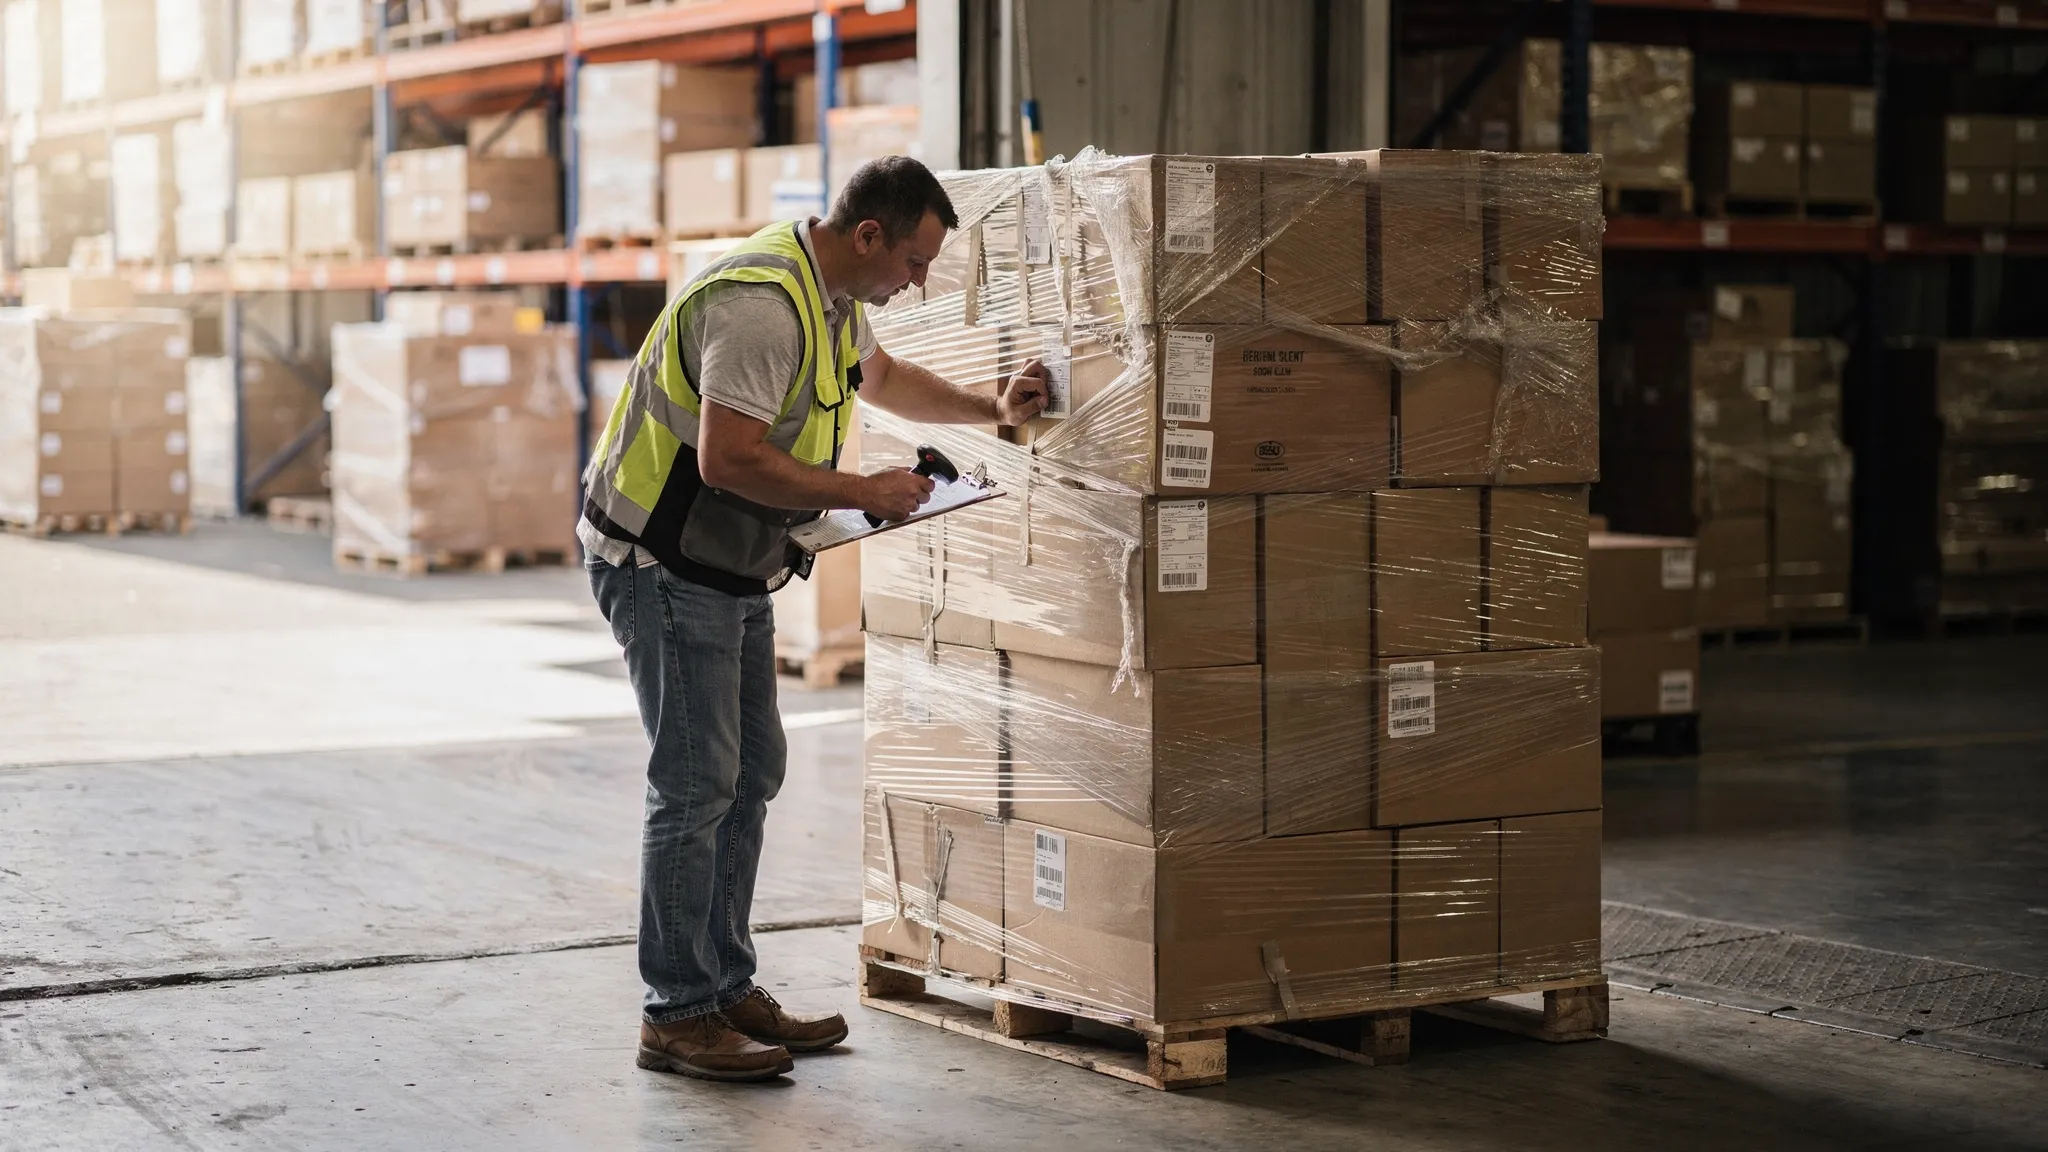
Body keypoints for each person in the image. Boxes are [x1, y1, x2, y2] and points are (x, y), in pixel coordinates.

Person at [580, 156, 1049, 1082]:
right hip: (662, 560)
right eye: (915, 262)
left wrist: (989, 411)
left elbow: (881, 378)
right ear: (869, 235)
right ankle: (677, 1011)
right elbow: (728, 460)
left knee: (753, 769)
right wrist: (863, 489)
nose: (917, 284)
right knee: (695, 782)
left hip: (729, 559)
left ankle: (722, 986)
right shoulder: (763, 307)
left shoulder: (830, 296)